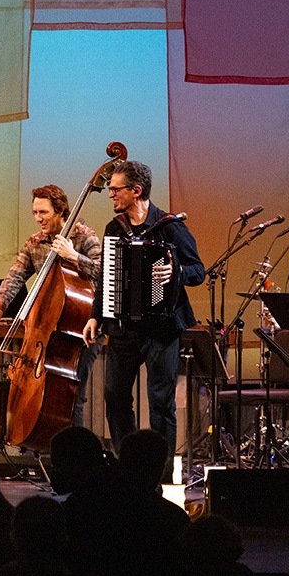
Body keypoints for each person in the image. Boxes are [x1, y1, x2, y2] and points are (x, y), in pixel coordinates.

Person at [82, 159, 203, 462]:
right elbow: (107, 279)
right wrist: (96, 315)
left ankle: (160, 470)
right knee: (115, 397)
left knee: (160, 402)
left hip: (161, 329)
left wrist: (177, 271)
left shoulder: (170, 227)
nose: (111, 194)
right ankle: (129, 463)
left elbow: (198, 270)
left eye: (115, 189)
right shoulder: (115, 228)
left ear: (136, 191)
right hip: (124, 329)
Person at [0, 183, 102, 426]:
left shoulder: (84, 236)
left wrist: (74, 256)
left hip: (82, 329)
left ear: (60, 211)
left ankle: (73, 444)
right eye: (35, 212)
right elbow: (14, 277)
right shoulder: (35, 242)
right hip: (47, 329)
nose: (38, 218)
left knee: (72, 394)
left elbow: (104, 272)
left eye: (43, 212)